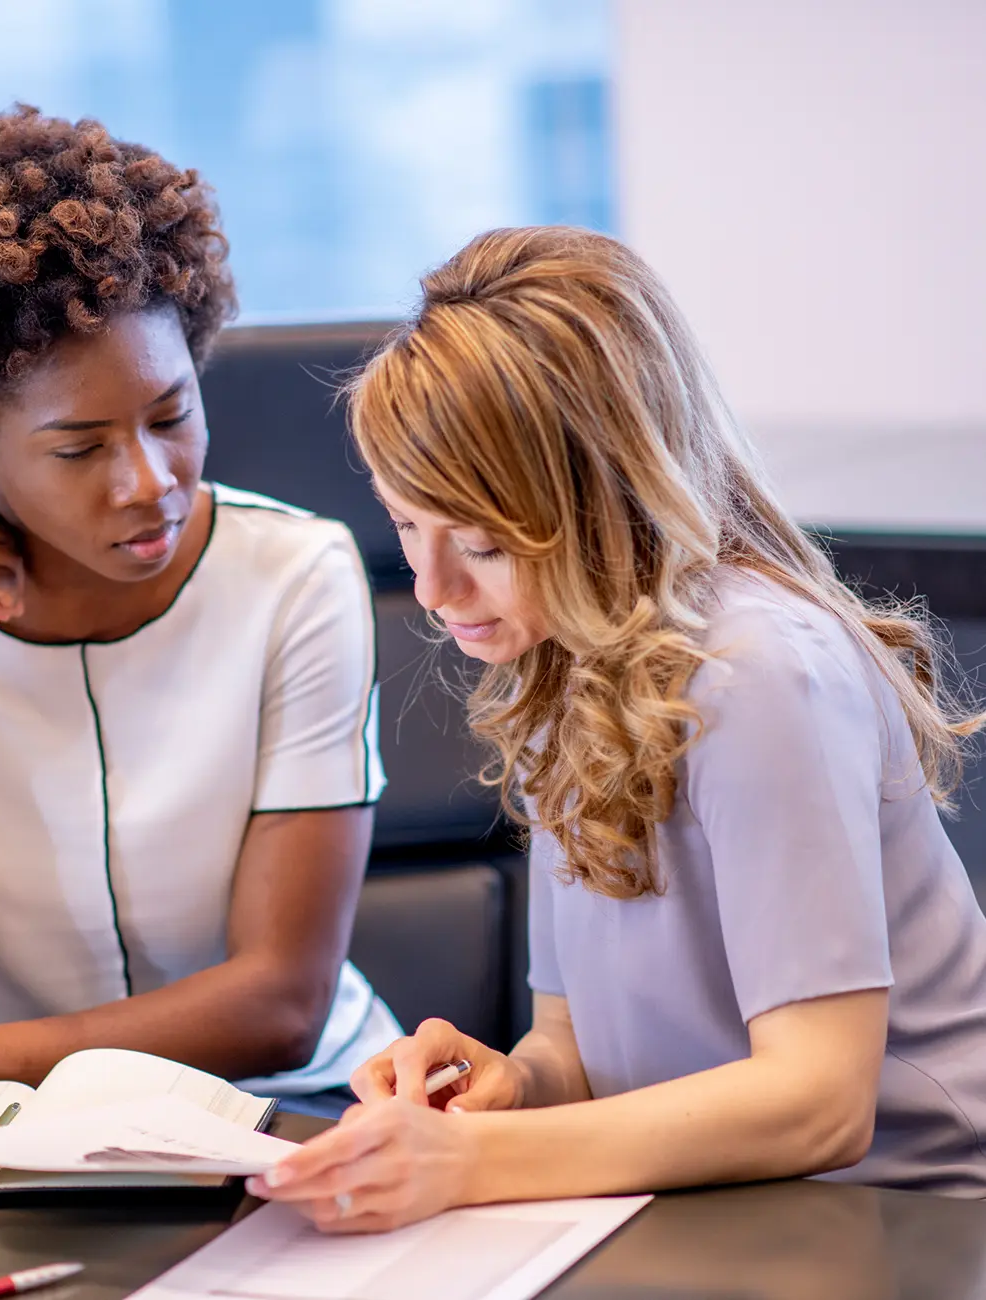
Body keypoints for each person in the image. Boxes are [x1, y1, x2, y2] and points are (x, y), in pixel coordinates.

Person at [247, 225, 986, 1230]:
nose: (430, 588)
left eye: (480, 542)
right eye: (408, 527)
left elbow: (817, 1104)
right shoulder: (561, 659)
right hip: (716, 1215)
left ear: (606, 505)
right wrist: (501, 1085)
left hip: (903, 1222)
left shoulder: (756, 668)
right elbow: (581, 1056)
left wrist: (473, 1158)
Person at [0, 106, 398, 1112]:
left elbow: (280, 1002)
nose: (149, 482)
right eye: (81, 447)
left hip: (294, 1099)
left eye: (172, 415)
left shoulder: (298, 575)